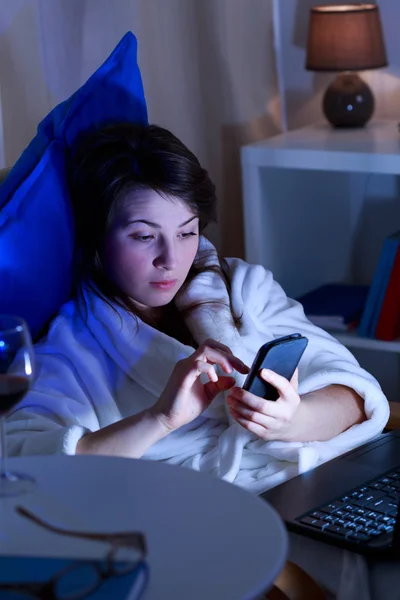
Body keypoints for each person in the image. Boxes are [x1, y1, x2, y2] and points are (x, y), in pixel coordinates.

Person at [6, 122, 389, 493]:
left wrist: (290, 420)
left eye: (187, 232)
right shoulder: (71, 348)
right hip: (204, 512)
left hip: (319, 482)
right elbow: (27, 464)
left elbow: (354, 393)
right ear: (96, 239)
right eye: (143, 236)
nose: (171, 259)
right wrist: (160, 418)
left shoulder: (243, 287)